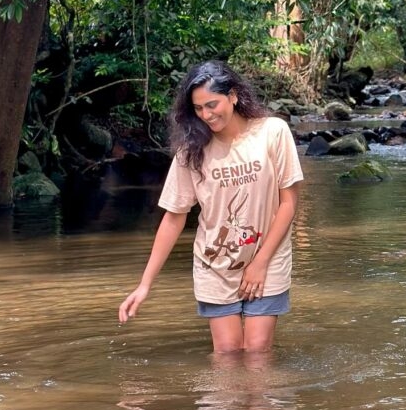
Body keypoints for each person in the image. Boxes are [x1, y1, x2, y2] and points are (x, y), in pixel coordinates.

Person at [118, 61, 304, 353]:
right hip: (215, 264)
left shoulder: (273, 132)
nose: (206, 114)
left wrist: (260, 263)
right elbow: (173, 218)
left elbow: (288, 203)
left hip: (267, 259)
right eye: (198, 108)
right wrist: (144, 285)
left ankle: (263, 401)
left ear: (233, 95)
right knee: (228, 353)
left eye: (212, 104)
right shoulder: (191, 151)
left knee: (257, 351)